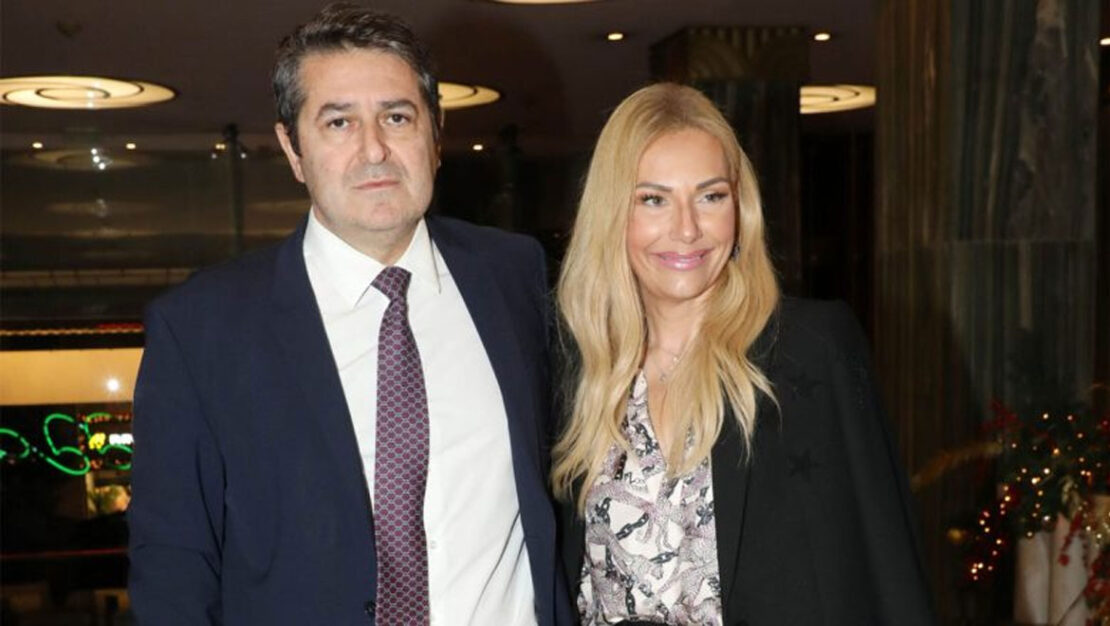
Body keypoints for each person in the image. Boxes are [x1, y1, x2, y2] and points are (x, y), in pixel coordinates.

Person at [128, 4, 568, 624]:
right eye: (339, 122)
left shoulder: (515, 276)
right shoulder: (201, 329)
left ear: (435, 134)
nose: (374, 150)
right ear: (293, 148)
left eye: (397, 116)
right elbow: (172, 563)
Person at [552, 83, 934, 625]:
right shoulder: (578, 369)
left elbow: (886, 557)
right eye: (653, 199)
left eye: (711, 196)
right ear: (612, 214)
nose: (687, 229)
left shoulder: (808, 349)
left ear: (740, 209)